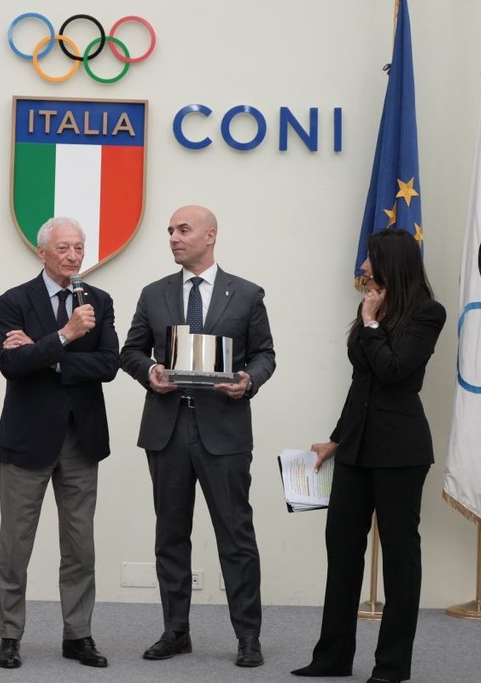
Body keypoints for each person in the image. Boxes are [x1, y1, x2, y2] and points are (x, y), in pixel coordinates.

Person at [120, 204, 276, 668]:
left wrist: (249, 380)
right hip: (167, 431)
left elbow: (265, 355)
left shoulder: (246, 294)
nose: (173, 237)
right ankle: (175, 632)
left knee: (236, 536)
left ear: (210, 236)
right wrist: (150, 371)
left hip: (224, 431)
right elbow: (130, 351)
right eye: (170, 230)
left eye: (183, 230)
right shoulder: (154, 294)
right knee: (170, 535)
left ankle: (248, 636)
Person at [291, 228, 446, 683]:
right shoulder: (373, 306)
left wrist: (372, 324)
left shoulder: (427, 312)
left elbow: (394, 371)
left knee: (399, 557)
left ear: (390, 261)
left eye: (369, 259)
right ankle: (332, 658)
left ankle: (392, 666)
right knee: (342, 551)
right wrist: (336, 439)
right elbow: (361, 384)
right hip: (356, 451)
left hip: (401, 451)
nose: (362, 267)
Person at [0, 216, 119, 670]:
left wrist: (48, 357)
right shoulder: (14, 300)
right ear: (41, 251)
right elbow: (11, 364)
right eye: (63, 248)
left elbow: (109, 364)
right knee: (15, 547)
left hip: (82, 440)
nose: (73, 256)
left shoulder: (98, 301)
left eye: (79, 247)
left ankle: (78, 635)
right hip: (27, 440)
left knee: (80, 546)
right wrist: (66, 336)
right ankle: (10, 636)